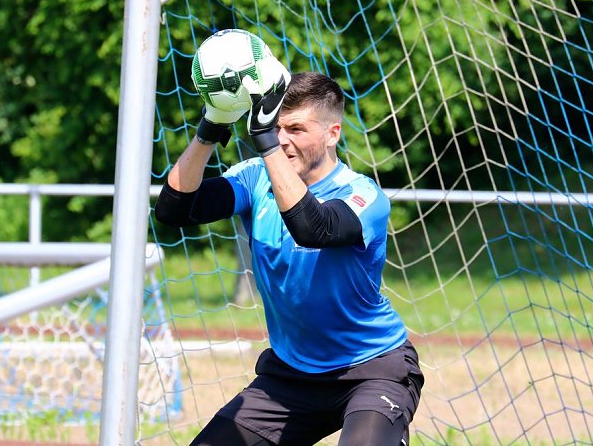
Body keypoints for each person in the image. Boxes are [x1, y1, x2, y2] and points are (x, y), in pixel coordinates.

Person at [155, 65, 424, 446]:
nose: (281, 140)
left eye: (295, 129)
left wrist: (264, 139)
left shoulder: (363, 195)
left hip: (372, 368)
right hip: (290, 375)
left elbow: (314, 229)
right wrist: (210, 128)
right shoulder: (255, 177)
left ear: (333, 133)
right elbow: (174, 210)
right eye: (275, 128)